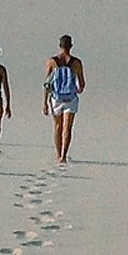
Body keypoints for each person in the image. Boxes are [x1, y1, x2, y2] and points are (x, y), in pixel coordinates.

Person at [42, 35, 86, 165]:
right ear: (71, 46)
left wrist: (44, 102)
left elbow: (46, 83)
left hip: (56, 98)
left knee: (57, 127)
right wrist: (78, 89)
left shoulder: (52, 62)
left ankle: (58, 153)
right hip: (70, 98)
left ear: (60, 45)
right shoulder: (76, 62)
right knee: (68, 128)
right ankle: (64, 155)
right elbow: (82, 83)